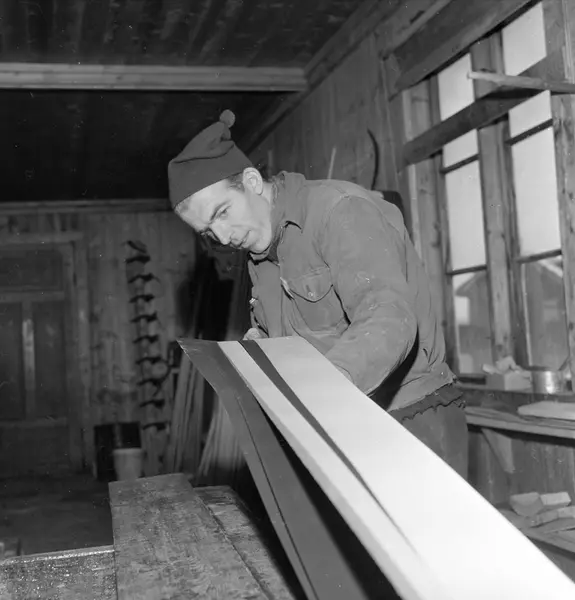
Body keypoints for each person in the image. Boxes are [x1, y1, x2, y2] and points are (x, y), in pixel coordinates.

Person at [168, 110, 468, 477]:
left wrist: (324, 390)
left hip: (411, 417)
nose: (224, 237)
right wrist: (258, 350)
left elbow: (389, 316)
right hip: (344, 422)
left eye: (223, 212)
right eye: (208, 231)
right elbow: (289, 332)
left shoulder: (339, 210)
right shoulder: (260, 250)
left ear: (251, 181)